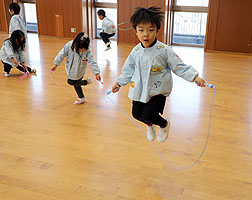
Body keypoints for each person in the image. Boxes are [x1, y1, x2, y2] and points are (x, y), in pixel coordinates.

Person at [111, 7, 206, 143]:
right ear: (135, 31)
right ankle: (150, 125)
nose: (146, 35)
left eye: (150, 30)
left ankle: (164, 124)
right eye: (141, 30)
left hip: (158, 90)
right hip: (139, 88)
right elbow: (128, 70)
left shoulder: (164, 50)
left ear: (157, 31)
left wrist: (194, 77)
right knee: (137, 114)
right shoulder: (136, 50)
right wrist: (119, 82)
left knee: (149, 114)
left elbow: (179, 66)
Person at [51, 32, 102, 105]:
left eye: (85, 49)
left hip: (80, 70)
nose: (83, 51)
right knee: (76, 84)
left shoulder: (87, 50)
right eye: (81, 49)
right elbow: (61, 54)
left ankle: (86, 82)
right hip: (70, 69)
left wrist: (97, 73)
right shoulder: (69, 45)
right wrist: (56, 64)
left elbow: (92, 61)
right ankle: (81, 98)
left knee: (71, 82)